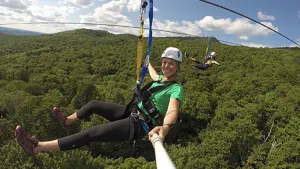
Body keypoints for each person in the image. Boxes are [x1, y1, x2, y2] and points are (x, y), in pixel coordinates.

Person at [15, 47, 184, 156]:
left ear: (178, 67)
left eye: (171, 64)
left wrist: (166, 127)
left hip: (140, 124)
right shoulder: (161, 79)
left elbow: (172, 110)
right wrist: (147, 63)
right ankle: (68, 120)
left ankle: (37, 147)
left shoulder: (176, 88)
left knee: (91, 133)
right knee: (94, 104)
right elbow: (154, 76)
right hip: (131, 112)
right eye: (164, 62)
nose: (166, 66)